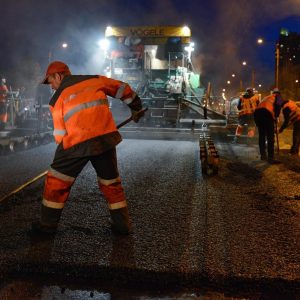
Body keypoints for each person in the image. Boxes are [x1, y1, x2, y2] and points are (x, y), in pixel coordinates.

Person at [32, 61, 145, 235]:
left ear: (59, 76)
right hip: (105, 140)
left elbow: (60, 134)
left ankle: (46, 227)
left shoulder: (57, 99)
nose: (52, 87)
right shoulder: (94, 80)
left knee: (56, 181)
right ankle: (123, 226)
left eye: (51, 81)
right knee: (111, 183)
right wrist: (135, 106)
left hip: (76, 143)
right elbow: (122, 88)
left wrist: (63, 155)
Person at [254, 88, 283, 164]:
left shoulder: (267, 97)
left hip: (257, 114)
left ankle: (263, 155)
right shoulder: (278, 97)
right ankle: (271, 158)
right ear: (279, 93)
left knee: (262, 136)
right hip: (266, 114)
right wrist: (276, 116)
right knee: (270, 137)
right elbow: (278, 107)